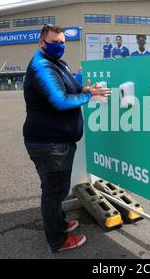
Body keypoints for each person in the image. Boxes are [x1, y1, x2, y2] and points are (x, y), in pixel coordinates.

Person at [23, 24, 111, 253]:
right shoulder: (41, 67)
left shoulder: (57, 63)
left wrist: (83, 85)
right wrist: (87, 95)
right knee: (53, 192)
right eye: (55, 42)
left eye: (63, 42)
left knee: (59, 189)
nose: (60, 46)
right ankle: (57, 240)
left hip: (58, 142)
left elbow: (70, 85)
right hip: (48, 144)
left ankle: (59, 223)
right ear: (42, 43)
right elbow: (61, 101)